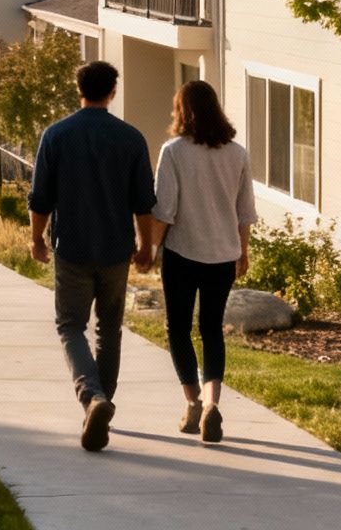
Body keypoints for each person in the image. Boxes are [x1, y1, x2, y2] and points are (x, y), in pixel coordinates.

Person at [29, 60, 157, 452]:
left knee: (70, 325)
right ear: (113, 91)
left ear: (78, 88)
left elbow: (41, 196)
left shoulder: (57, 135)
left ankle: (92, 398)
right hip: (116, 249)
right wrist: (146, 245)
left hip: (73, 248)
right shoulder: (131, 138)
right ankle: (103, 401)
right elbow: (143, 202)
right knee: (109, 329)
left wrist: (36, 237)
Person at [147, 79, 257, 444]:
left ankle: (193, 403)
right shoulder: (237, 153)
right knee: (211, 329)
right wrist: (243, 251)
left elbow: (165, 210)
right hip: (224, 254)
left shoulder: (174, 151)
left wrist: (149, 249)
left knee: (178, 328)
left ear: (182, 111)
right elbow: (246, 212)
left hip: (182, 253)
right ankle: (213, 404)